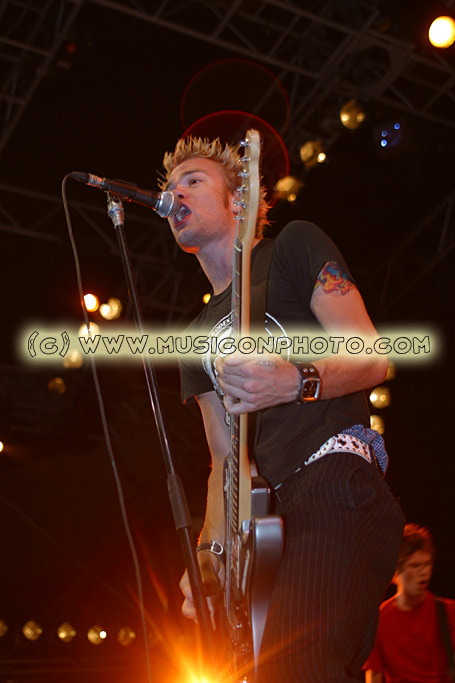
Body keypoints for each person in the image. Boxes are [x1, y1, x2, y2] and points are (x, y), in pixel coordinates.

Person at [159, 135, 404, 681]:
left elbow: (372, 356)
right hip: (262, 524)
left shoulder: (293, 246)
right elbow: (225, 461)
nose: (176, 195)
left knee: (301, 668)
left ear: (239, 200)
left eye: (193, 181)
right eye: (171, 187)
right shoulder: (195, 335)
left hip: (331, 480)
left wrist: (294, 381)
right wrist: (209, 555)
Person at [364, 524, 455, 683]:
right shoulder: (379, 620)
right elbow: (374, 677)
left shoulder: (448, 611)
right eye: (415, 565)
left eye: (427, 564)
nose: (424, 572)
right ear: (395, 572)